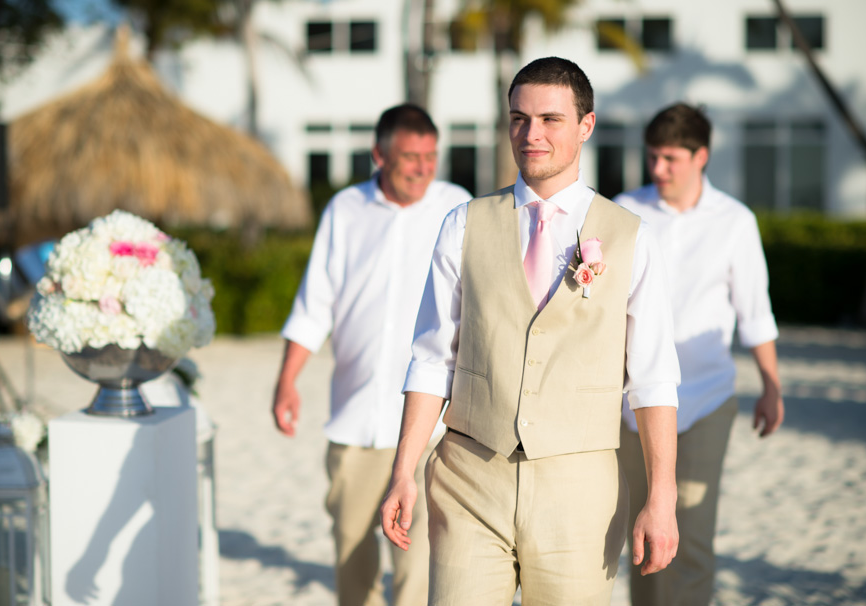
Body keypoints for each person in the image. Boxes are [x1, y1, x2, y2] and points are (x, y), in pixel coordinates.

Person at [380, 56, 681, 606]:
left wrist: (662, 496)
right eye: (519, 118)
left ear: (586, 126)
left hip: (581, 489)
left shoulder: (631, 237)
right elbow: (431, 359)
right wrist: (403, 470)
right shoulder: (464, 224)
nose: (530, 134)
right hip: (469, 477)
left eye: (550, 119)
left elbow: (653, 379)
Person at [272, 103, 472, 606]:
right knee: (352, 564)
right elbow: (314, 304)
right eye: (410, 157)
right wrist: (287, 381)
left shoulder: (459, 208)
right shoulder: (345, 208)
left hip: (434, 428)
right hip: (355, 421)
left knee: (419, 571)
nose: (423, 168)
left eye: (431, 156)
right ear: (379, 155)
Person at [615, 102, 785, 606]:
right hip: (632, 406)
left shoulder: (735, 221)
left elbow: (755, 312)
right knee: (643, 536)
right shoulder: (625, 209)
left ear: (701, 156)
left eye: (670, 158)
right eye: (652, 157)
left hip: (707, 398)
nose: (658, 169)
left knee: (691, 538)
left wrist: (771, 387)